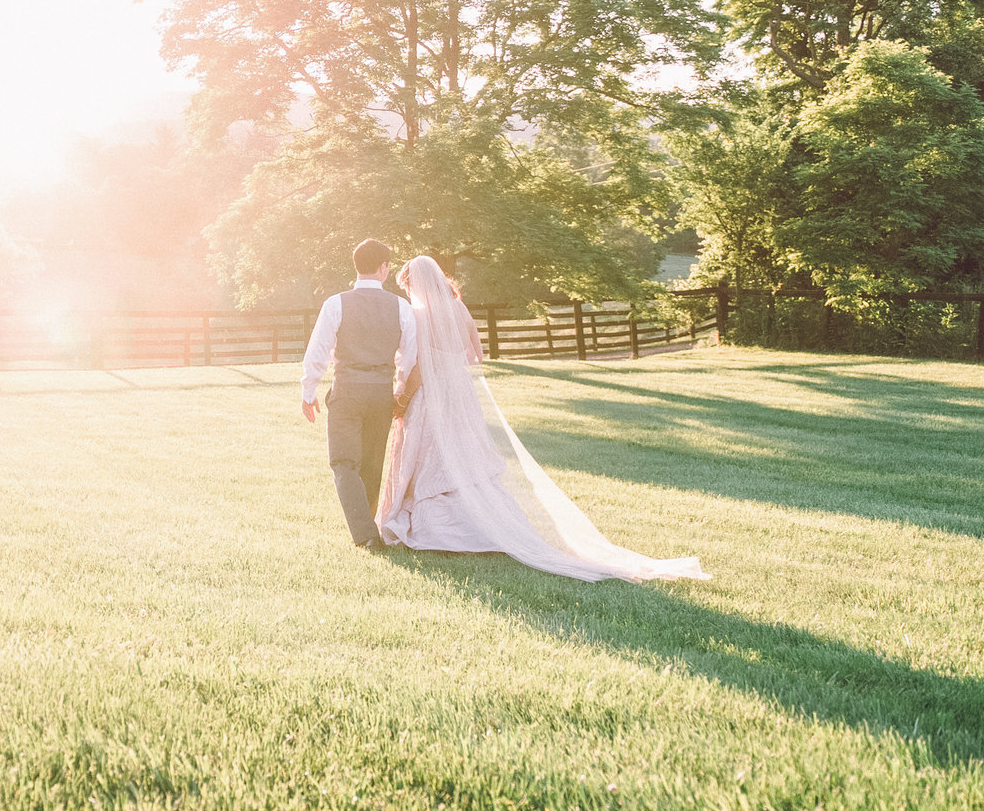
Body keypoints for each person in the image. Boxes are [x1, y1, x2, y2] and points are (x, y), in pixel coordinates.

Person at [375, 255, 708, 581]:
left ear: (415, 285)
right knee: (464, 458)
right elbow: (475, 355)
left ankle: (444, 531)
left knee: (433, 461)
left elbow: (419, 368)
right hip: (461, 395)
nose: (408, 294)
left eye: (408, 288)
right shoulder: (459, 308)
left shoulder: (420, 314)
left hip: (432, 398)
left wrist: (402, 401)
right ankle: (487, 526)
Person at [299, 238, 422, 550]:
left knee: (344, 463)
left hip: (347, 392)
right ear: (383, 268)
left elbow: (318, 352)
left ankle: (367, 535)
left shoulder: (336, 303)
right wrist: (399, 394)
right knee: (371, 463)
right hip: (381, 393)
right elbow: (409, 358)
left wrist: (308, 390)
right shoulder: (401, 307)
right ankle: (368, 531)